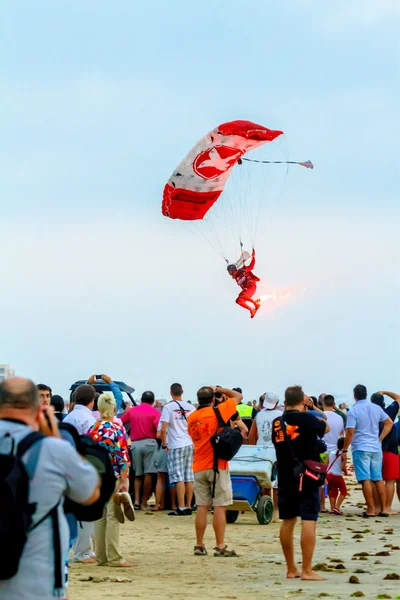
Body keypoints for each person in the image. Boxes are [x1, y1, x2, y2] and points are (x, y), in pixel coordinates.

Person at [0, 377, 100, 600]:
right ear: (37, 407)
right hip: (36, 579)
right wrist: (55, 436)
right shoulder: (52, 448)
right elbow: (90, 493)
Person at [272, 385, 330, 581]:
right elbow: (326, 427)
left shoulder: (277, 422)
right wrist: (310, 409)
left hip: (285, 476)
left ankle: (291, 568)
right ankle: (307, 570)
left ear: (285, 401)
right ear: (303, 401)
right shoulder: (307, 418)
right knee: (309, 520)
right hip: (307, 476)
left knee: (288, 520)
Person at [187, 386, 247, 557]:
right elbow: (238, 396)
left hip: (199, 465)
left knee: (201, 507)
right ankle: (220, 545)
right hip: (217, 464)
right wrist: (220, 389)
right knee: (220, 506)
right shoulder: (218, 411)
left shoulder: (192, 417)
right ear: (213, 399)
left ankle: (199, 544)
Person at [88, 393, 134, 567]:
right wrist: (125, 480)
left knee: (99, 518)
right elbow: (122, 457)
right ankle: (115, 557)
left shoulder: (92, 429)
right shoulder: (117, 429)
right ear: (114, 409)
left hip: (96, 477)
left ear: (98, 409)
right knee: (113, 516)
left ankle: (101, 557)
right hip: (113, 476)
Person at [342, 384, 393, 518]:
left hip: (361, 446)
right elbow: (389, 422)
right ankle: (383, 509)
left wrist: (345, 449)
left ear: (355, 396)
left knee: (365, 478)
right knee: (377, 478)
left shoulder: (354, 410)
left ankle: (371, 509)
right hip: (376, 447)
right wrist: (380, 438)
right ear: (366, 394)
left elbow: (350, 431)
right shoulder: (376, 408)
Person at [63, 384, 97, 563]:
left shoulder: (68, 418)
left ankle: (85, 550)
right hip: (84, 466)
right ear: (92, 401)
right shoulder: (88, 419)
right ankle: (82, 552)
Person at [159, 383, 195, 516]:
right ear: (182, 392)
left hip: (175, 444)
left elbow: (163, 428)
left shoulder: (168, 407)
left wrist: (164, 444)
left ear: (170, 392)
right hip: (189, 443)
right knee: (189, 476)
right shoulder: (191, 407)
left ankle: (181, 506)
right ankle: (189, 505)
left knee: (178, 476)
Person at [121, 390, 160, 510]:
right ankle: (144, 502)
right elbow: (158, 430)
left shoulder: (132, 411)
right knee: (148, 474)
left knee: (137, 474)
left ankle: (136, 501)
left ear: (141, 400)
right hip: (150, 443)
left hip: (135, 444)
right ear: (153, 402)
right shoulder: (156, 413)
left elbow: (121, 422)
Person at [248, 392, 281, 518]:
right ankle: (276, 510)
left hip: (261, 450)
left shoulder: (259, 415)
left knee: (264, 480)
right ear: (276, 402)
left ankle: (265, 507)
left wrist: (254, 449)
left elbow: (251, 435)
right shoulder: (280, 415)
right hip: (276, 450)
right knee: (276, 483)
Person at [371, 391, 400, 514]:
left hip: (373, 449)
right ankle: (387, 507)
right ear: (383, 402)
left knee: (376, 479)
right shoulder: (388, 412)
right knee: (389, 480)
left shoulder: (370, 413)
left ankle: (377, 507)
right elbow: (399, 398)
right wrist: (384, 391)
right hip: (389, 450)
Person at [227, 249, 261, 318]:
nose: (229, 274)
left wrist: (253, 257)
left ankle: (255, 303)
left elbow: (251, 266)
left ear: (233, 270)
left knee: (241, 294)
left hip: (251, 287)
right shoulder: (236, 278)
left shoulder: (242, 270)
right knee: (238, 300)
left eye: (230, 271)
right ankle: (251, 309)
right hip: (247, 291)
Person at [326, 438, 347, 515]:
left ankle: (332, 509)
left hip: (329, 474)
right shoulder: (343, 455)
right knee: (343, 491)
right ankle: (337, 507)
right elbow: (342, 467)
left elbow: (325, 464)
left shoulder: (331, 453)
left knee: (333, 491)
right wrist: (346, 472)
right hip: (337, 475)